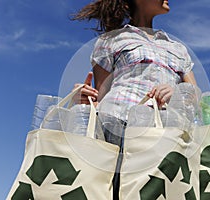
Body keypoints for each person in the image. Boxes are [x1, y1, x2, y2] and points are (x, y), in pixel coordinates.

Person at [72, 0, 197, 199]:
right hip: (116, 126)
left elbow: (196, 96)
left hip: (165, 131)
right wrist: (84, 98)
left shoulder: (178, 48)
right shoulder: (111, 40)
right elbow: (101, 96)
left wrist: (178, 92)